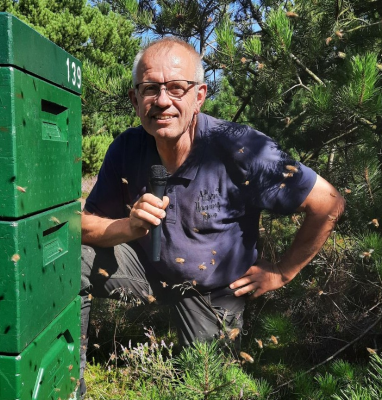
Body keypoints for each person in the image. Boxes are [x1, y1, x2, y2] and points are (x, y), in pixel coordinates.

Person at [78, 36, 345, 396]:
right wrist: (127, 226)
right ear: (134, 98)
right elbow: (85, 224)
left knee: (211, 388)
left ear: (199, 95)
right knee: (64, 258)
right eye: (150, 89)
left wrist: (282, 271)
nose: (162, 101)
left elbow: (328, 203)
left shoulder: (241, 147)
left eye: (176, 88)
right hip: (145, 268)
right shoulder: (127, 146)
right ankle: (65, 383)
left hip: (212, 292)